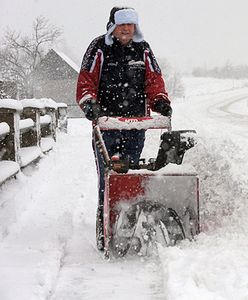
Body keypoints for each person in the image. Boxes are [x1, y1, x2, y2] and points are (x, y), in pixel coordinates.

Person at [76, 6, 172, 251]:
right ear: (112, 26)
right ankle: (105, 229)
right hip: (106, 125)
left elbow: (154, 79)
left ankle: (127, 226)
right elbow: (86, 79)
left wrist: (159, 100)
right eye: (122, 25)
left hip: (136, 125)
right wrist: (89, 104)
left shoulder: (143, 49)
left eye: (130, 25)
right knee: (108, 178)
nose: (127, 29)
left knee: (129, 176)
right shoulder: (99, 48)